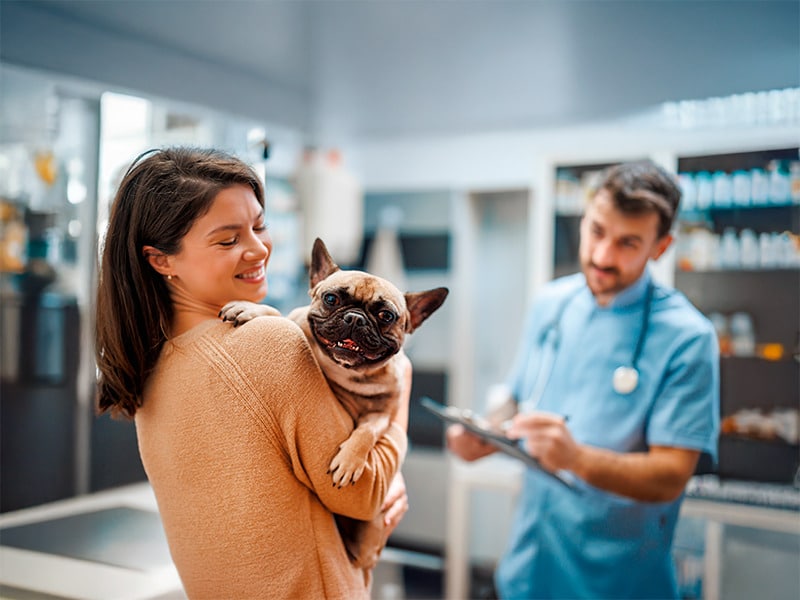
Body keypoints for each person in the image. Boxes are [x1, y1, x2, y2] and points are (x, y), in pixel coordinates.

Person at [95, 147, 410, 598]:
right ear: (161, 260)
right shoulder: (268, 344)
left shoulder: (150, 364)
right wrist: (398, 402)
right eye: (228, 239)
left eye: (259, 226)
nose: (259, 248)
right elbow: (362, 492)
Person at [447, 160, 719, 599]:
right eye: (596, 232)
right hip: (528, 573)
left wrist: (576, 458)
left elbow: (670, 475)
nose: (602, 256)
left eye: (628, 243)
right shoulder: (551, 303)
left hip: (618, 583)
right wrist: (483, 432)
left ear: (661, 246)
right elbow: (516, 400)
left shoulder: (688, 337)